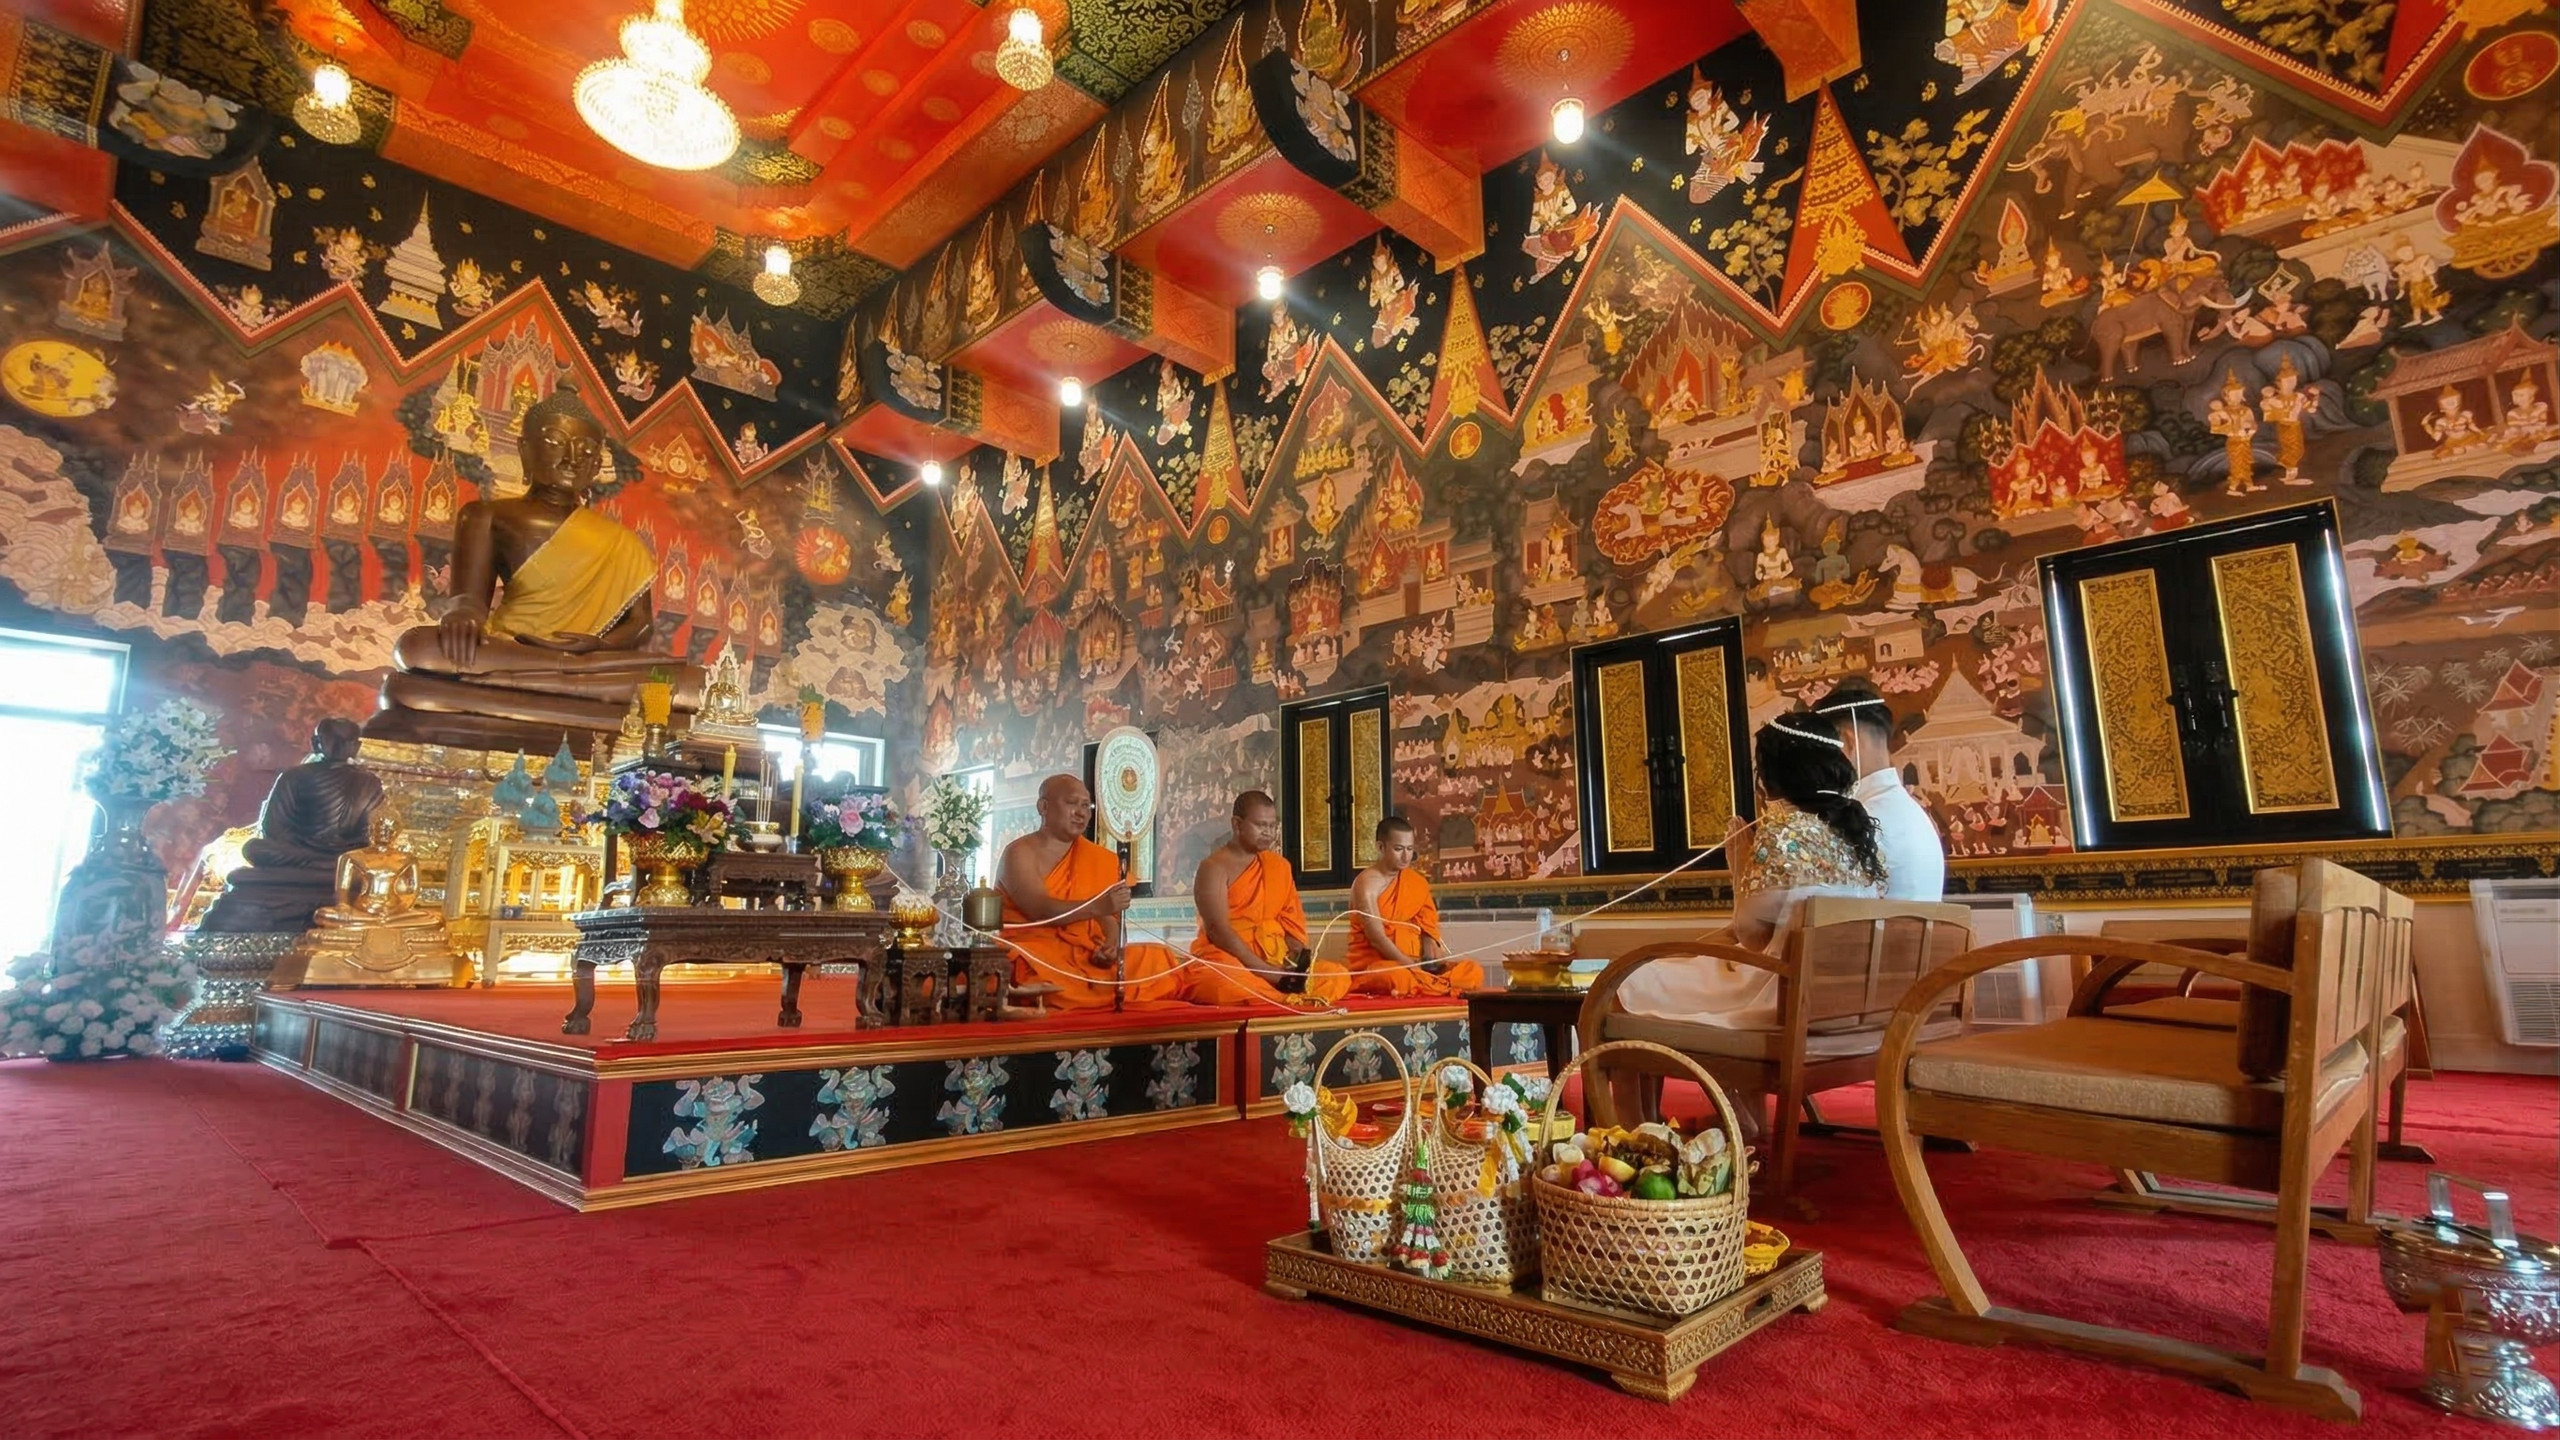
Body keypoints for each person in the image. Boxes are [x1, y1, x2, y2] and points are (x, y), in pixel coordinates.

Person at [373, 387, 699, 748]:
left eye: (587, 451)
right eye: (557, 442)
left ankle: (566, 676)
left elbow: (641, 624)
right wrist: (462, 613)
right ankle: (570, 679)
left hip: (591, 661)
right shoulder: (486, 515)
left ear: (596, 466)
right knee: (417, 648)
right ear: (525, 449)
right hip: (511, 648)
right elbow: (469, 597)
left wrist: (599, 645)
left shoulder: (624, 543)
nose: (573, 457)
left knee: (690, 684)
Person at [1609, 713, 1889, 1033]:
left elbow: (1751, 936)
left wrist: (1740, 869)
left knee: (1627, 982)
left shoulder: (1781, 831)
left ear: (1768, 776)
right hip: (1843, 1006)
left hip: (1775, 1000)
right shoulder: (1861, 833)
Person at [997, 776, 1305, 1009]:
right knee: (1035, 967)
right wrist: (1098, 906)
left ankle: (1093, 989)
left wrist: (1112, 946)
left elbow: (1110, 924)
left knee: (1158, 960)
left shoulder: (1098, 858)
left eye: (1086, 805)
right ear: (1043, 806)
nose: (1081, 812)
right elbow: (1037, 909)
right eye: (1072, 803)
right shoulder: (1020, 853)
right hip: (1041, 951)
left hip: (1090, 959)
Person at [199, 718, 387, 933]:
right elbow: (273, 830)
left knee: (256, 849)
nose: (338, 747)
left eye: (344, 742)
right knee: (253, 848)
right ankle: (333, 869)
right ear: (317, 744)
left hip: (318, 860)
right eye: (333, 741)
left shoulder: (368, 782)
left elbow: (367, 837)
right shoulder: (296, 777)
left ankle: (331, 868)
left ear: (356, 746)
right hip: (335, 864)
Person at [1191, 792, 1351, 1004]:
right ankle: (1288, 1000)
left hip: (1277, 961)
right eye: (1261, 825)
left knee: (1336, 975)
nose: (1269, 832)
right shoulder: (1213, 868)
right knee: (1219, 983)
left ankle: (1284, 998)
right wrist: (1268, 973)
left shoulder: (1279, 867)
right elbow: (1218, 932)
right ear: (1237, 824)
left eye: (1273, 826)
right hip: (1231, 961)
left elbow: (1290, 923)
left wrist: (1295, 962)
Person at [1810, 679, 1946, 901]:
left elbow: (1819, 918)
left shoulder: (1861, 820)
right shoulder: (1913, 813)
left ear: (1847, 741)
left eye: (1822, 751)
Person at [1344, 817, 1484, 996]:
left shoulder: (1416, 882)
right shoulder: (1367, 883)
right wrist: (1411, 966)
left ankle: (1431, 983)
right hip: (1378, 964)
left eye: (1410, 849)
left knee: (1473, 970)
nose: (1405, 857)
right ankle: (1434, 986)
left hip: (1419, 963)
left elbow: (1427, 925)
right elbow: (1376, 938)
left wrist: (1429, 949)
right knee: (1398, 978)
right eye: (1398, 849)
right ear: (1380, 847)